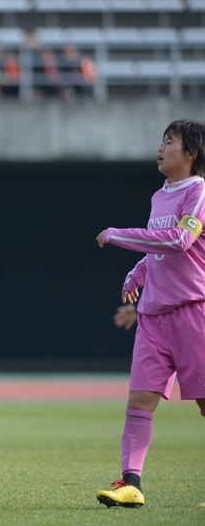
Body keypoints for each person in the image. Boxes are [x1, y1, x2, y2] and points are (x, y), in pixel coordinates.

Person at [95, 119, 205, 509]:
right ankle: (131, 484)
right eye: (161, 141)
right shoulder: (160, 195)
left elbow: (180, 240)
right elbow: (158, 250)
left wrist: (117, 234)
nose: (161, 148)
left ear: (191, 152)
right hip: (153, 316)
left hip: (193, 312)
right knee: (140, 400)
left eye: (169, 142)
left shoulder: (199, 191)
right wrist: (137, 272)